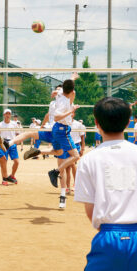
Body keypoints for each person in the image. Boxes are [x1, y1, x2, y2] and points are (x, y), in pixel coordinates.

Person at [74, 97, 137, 270]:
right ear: (127, 123)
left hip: (108, 237)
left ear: (96, 123)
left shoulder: (88, 160)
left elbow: (90, 210)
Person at [47, 79, 81, 209]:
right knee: (74, 157)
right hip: (62, 130)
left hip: (59, 129)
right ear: (71, 92)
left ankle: (62, 196)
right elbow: (56, 117)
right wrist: (71, 110)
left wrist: (72, 78)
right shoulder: (65, 103)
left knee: (64, 161)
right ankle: (54, 172)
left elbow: (63, 90)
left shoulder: (61, 92)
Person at [0, 109, 20, 184]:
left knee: (16, 162)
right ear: (4, 115)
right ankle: (4, 179)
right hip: (3, 143)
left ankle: (12, 175)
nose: (8, 115)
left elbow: (17, 133)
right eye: (6, 113)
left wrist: (17, 141)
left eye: (9, 113)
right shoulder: (0, 125)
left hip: (12, 143)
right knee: (4, 162)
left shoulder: (14, 124)